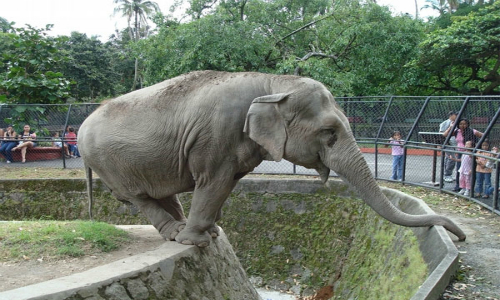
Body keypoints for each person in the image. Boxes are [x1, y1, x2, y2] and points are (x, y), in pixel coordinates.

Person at [443, 118, 483, 191]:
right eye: (461, 124)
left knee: (469, 171)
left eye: (464, 124)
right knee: (460, 170)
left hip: (469, 153)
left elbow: (482, 135)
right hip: (460, 153)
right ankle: (459, 186)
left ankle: (470, 188)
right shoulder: (457, 132)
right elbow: (445, 134)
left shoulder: (472, 131)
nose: (462, 125)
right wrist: (451, 127)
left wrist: (477, 146)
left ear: (467, 124)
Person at [439, 111, 458, 182]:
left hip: (455, 143)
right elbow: (441, 134)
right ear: (451, 115)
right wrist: (440, 145)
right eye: (455, 115)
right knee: (451, 159)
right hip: (448, 143)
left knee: (449, 159)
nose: (457, 116)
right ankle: (447, 175)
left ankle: (447, 174)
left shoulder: (457, 122)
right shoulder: (445, 123)